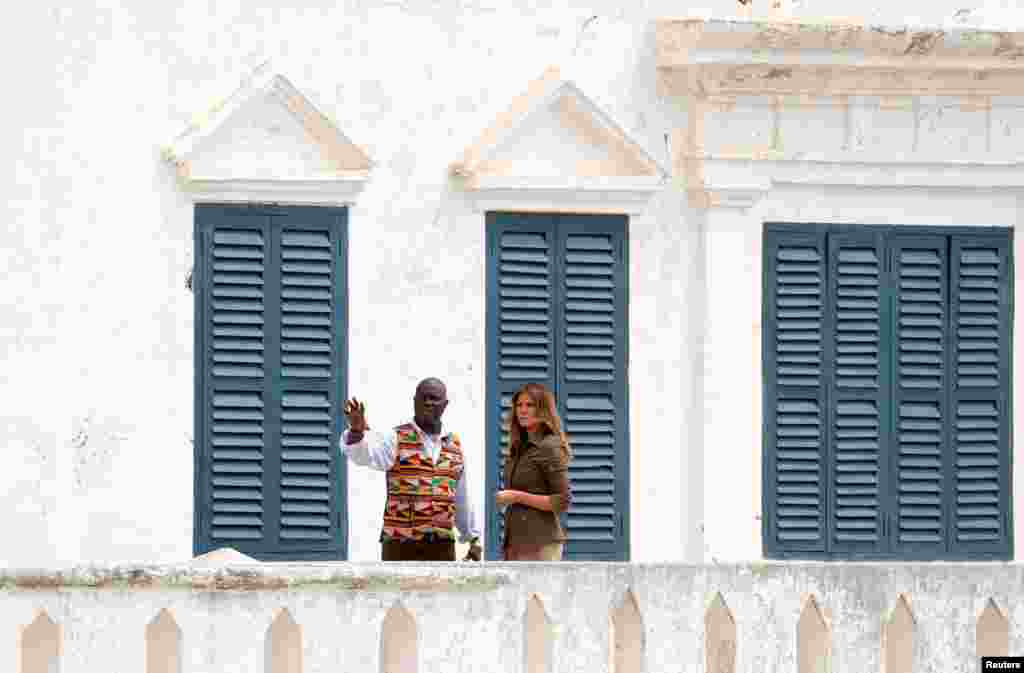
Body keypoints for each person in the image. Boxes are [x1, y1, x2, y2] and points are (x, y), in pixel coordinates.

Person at [340, 378, 482, 562]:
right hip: (401, 546)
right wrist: (356, 432)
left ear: (445, 405)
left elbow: (461, 498)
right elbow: (365, 455)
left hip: (442, 546)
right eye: (423, 398)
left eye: (434, 398)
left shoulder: (454, 446)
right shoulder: (396, 437)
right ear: (414, 401)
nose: (428, 403)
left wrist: (472, 538)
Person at [496, 383, 572, 561]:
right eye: (519, 405)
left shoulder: (549, 446)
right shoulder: (518, 448)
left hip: (541, 545)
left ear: (543, 410)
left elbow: (562, 500)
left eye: (530, 405)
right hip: (514, 542)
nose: (522, 410)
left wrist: (517, 496)